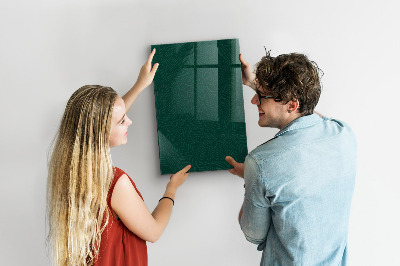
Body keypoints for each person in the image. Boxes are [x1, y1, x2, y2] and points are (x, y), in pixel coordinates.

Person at [46, 49, 191, 266]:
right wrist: (172, 189)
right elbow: (153, 231)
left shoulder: (69, 171)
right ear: (101, 131)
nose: (130, 122)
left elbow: (104, 119)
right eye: (122, 121)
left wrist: (140, 85)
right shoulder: (115, 183)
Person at [226, 51, 357, 265]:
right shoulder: (343, 134)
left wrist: (252, 177)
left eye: (260, 96)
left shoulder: (260, 163)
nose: (253, 100)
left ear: (292, 105)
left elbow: (253, 234)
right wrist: (254, 83)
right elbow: (310, 115)